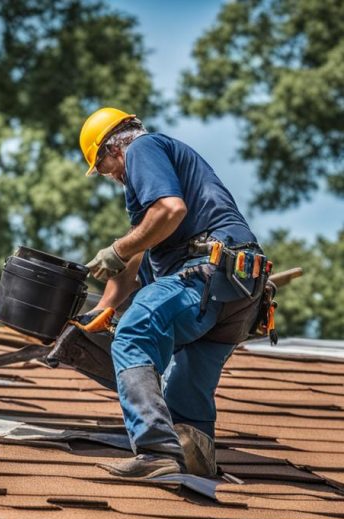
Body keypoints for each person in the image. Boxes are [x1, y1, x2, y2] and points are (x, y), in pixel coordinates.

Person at [79, 107, 268, 478]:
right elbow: (137, 254)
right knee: (183, 391)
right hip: (238, 293)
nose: (114, 178)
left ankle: (154, 449)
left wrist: (116, 249)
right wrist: (103, 308)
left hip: (205, 275)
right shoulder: (163, 170)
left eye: (104, 169)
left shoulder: (142, 150)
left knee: (135, 330)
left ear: (114, 149)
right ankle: (195, 463)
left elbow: (170, 209)